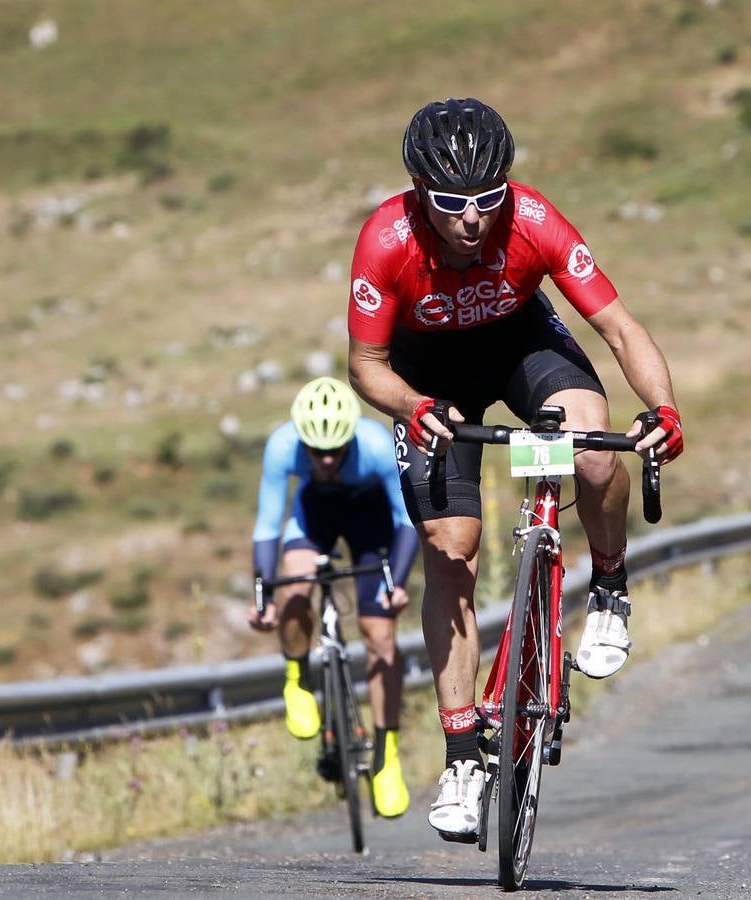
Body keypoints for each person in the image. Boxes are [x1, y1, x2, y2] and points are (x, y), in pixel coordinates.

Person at [344, 97, 684, 842]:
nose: (472, 219)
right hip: (428, 380)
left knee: (594, 451)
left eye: (487, 199)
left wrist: (662, 411)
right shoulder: (386, 238)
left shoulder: (532, 219)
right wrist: (410, 405)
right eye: (451, 204)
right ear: (418, 194)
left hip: (522, 349)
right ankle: (463, 755)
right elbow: (364, 366)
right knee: (451, 554)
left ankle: (609, 587)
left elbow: (618, 327)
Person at [248, 376, 421, 818]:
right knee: (294, 584)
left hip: (372, 520)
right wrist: (264, 592)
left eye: (336, 450)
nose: (325, 459)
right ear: (300, 439)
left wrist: (396, 583)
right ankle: (297, 677)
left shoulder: (376, 445)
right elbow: (268, 526)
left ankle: (386, 755)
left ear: (350, 438)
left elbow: (406, 521)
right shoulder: (282, 446)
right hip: (315, 515)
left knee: (379, 635)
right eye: (316, 450)